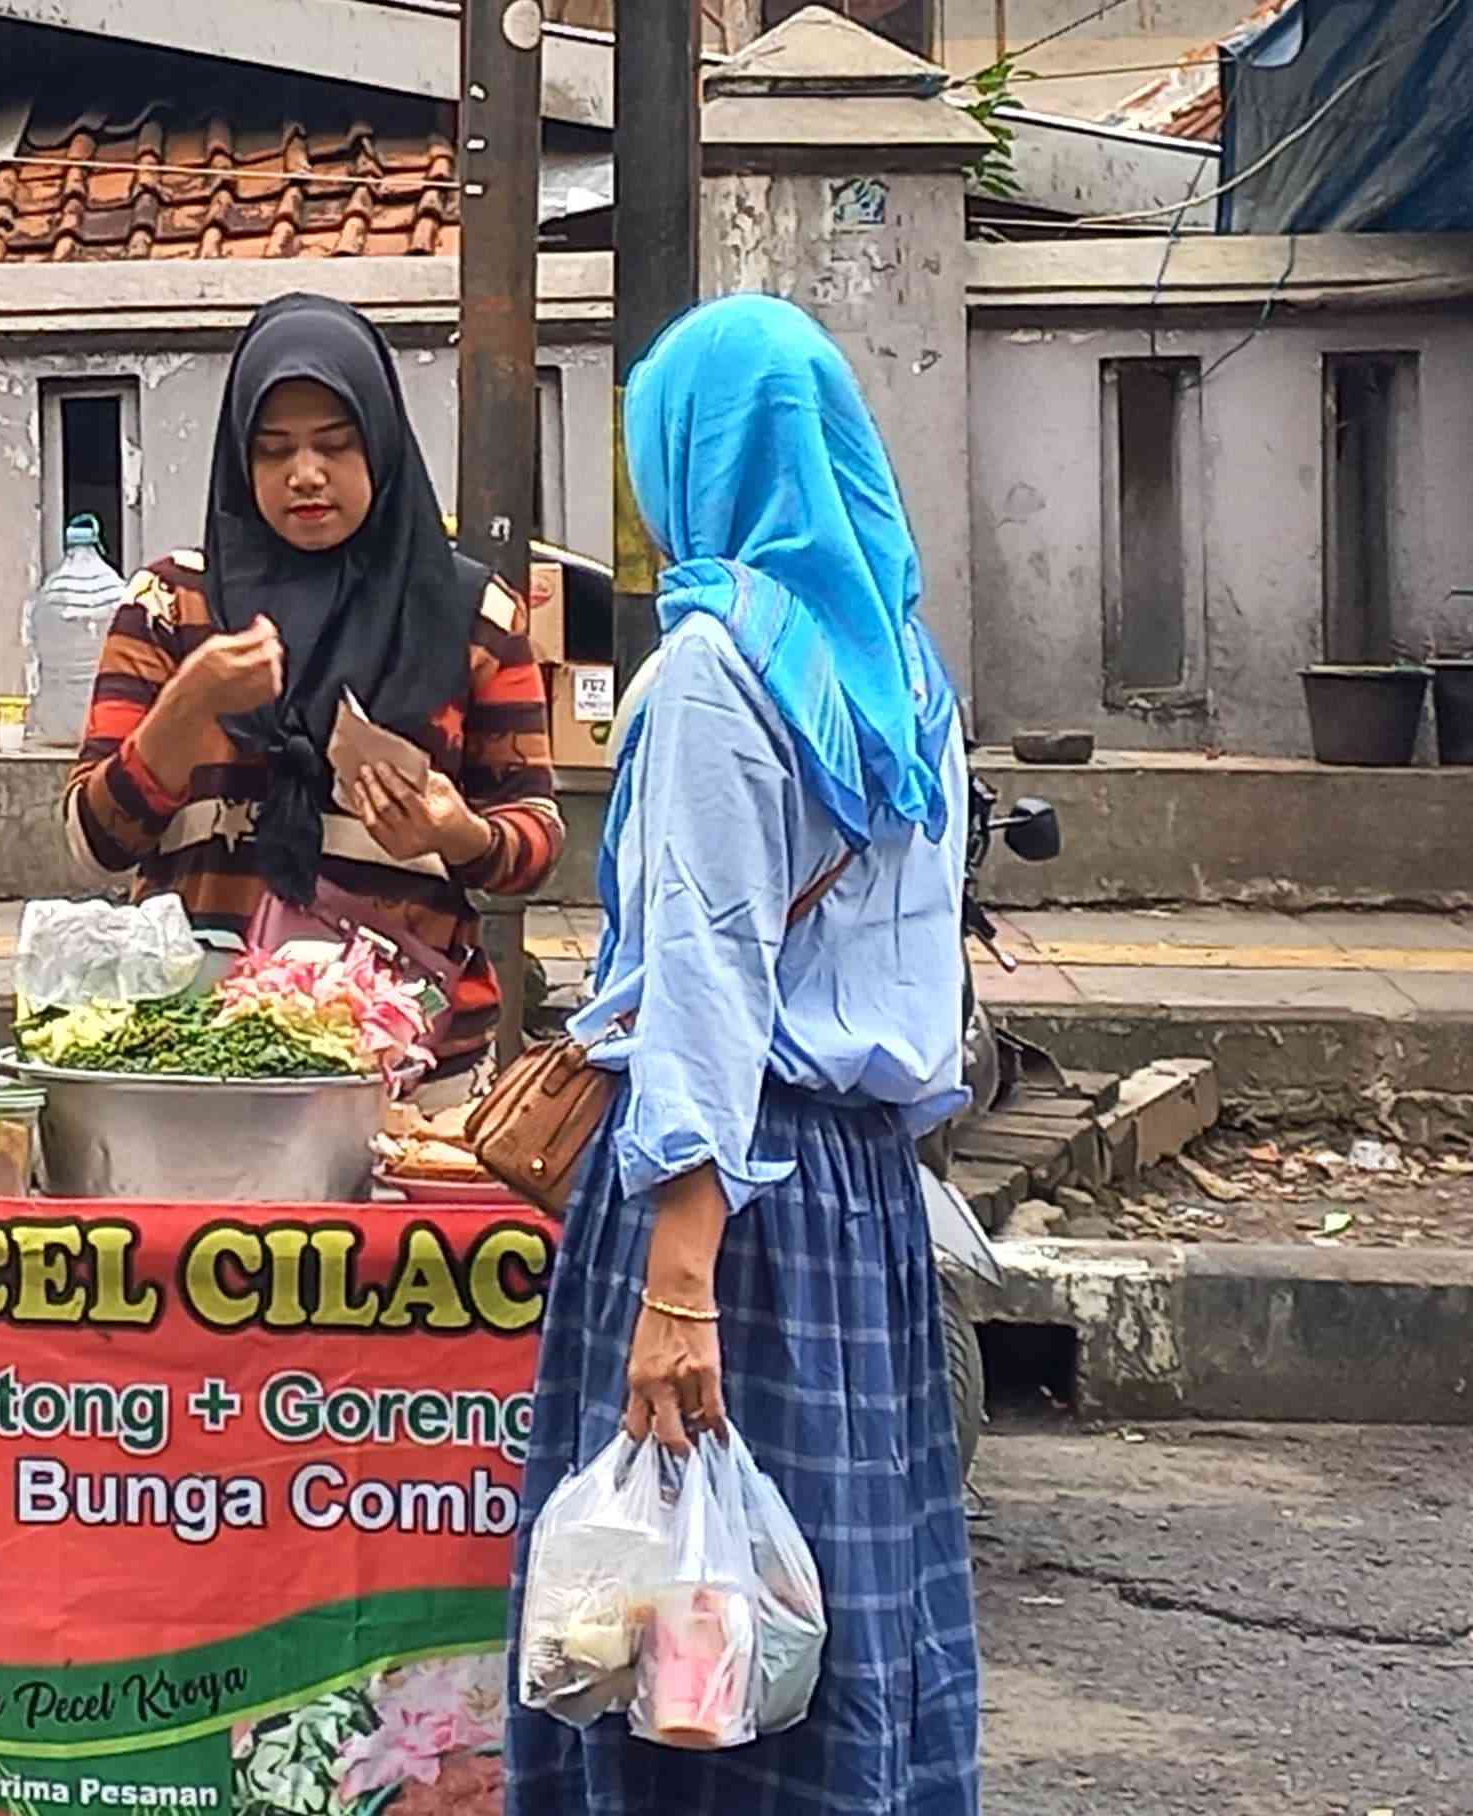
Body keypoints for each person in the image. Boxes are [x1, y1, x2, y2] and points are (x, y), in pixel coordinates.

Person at [512, 293, 977, 1816]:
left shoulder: (719, 671)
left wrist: (677, 1290)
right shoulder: (904, 672)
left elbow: (710, 981)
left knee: (676, 1650)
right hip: (855, 1204)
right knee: (831, 1610)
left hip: (726, 1209)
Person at [64, 293, 557, 1093]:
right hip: (199, 1063)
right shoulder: (173, 606)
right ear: (239, 458)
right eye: (272, 450)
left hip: (411, 1072)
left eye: (335, 445)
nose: (305, 475)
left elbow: (533, 838)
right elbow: (95, 844)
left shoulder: (471, 615)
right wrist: (186, 709)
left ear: (383, 446)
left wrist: (457, 832)